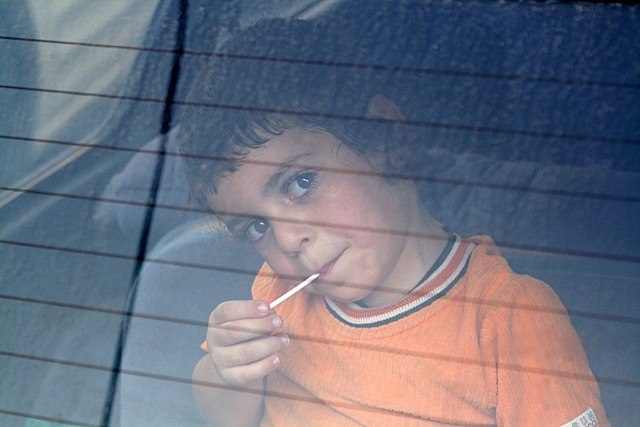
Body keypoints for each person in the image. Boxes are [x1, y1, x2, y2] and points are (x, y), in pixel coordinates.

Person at [179, 16, 609, 427]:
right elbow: (226, 416)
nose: (287, 239)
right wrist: (229, 369)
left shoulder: (509, 319)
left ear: (387, 138)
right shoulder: (277, 296)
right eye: (257, 227)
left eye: (301, 182)